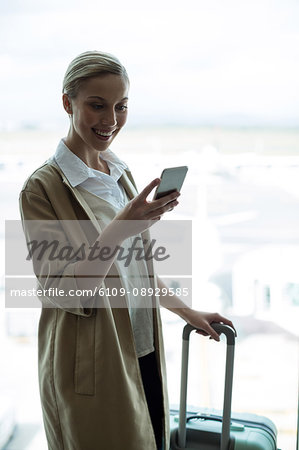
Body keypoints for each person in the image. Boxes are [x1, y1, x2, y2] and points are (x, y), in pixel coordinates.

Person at [19, 50, 235, 450]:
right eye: (96, 106)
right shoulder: (42, 189)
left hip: (142, 348)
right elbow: (64, 291)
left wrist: (187, 311)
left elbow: (137, 271)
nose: (111, 121)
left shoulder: (117, 172)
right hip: (93, 364)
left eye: (121, 107)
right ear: (68, 103)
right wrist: (119, 230)